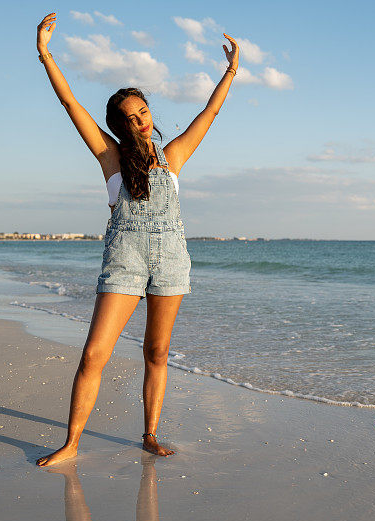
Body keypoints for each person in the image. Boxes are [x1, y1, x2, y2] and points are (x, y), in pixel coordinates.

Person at [34, 12, 239, 467]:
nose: (140, 121)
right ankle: (71, 443)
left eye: (144, 112)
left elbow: (210, 113)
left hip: (171, 263)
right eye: (130, 118)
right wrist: (45, 54)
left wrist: (230, 72)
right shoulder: (110, 157)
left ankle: (149, 433)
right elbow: (72, 106)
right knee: (94, 354)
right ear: (119, 125)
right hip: (124, 263)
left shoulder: (173, 157)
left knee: (157, 351)